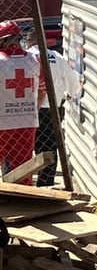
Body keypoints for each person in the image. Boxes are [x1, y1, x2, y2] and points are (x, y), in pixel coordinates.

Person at [26, 28, 80, 187]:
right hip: (52, 110)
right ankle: (46, 181)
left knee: (30, 145)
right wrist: (68, 95)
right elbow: (74, 84)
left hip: (28, 109)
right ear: (45, 40)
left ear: (29, 41)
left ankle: (24, 179)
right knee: (50, 145)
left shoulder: (27, 57)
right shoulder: (58, 58)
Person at [0, 20, 42, 184]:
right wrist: (33, 109)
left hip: (2, 120)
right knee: (23, 166)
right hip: (27, 121)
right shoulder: (34, 60)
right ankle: (24, 197)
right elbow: (43, 89)